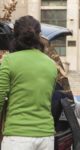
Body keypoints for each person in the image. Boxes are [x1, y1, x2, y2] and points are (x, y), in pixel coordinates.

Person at [0, 15, 57, 150]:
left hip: (17, 136)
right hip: (46, 136)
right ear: (39, 36)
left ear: (15, 35)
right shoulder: (51, 64)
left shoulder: (9, 61)